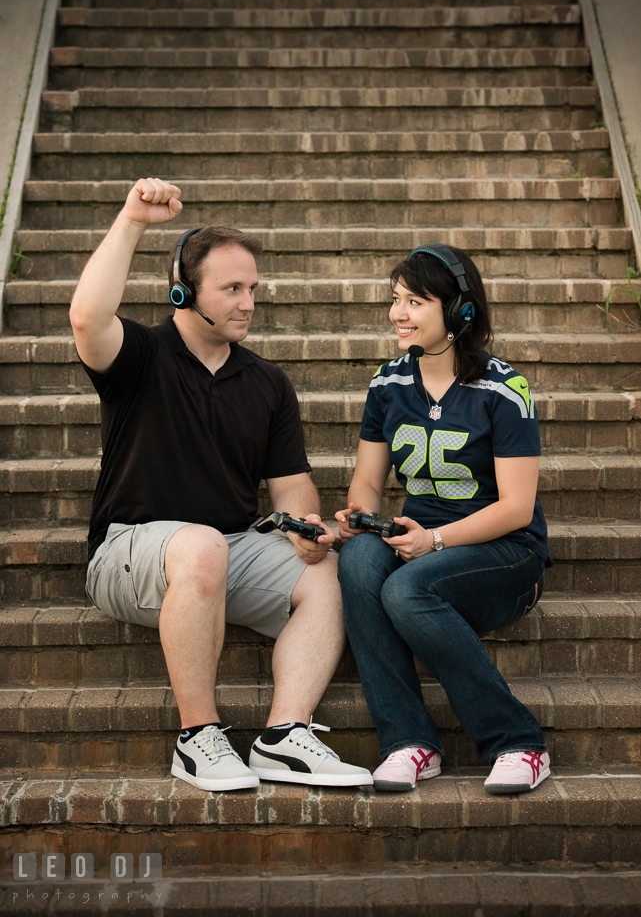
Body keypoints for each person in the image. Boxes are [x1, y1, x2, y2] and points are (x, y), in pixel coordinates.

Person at [69, 177, 372, 792]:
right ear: (184, 292)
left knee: (329, 571)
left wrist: (304, 529)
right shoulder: (140, 356)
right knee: (201, 543)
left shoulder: (266, 383)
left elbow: (291, 487)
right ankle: (197, 739)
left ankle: (286, 736)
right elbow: (86, 315)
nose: (248, 302)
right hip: (129, 550)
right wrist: (133, 221)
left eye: (253, 289)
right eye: (231, 288)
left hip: (223, 551)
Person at [335, 243, 552, 794]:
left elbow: (516, 507)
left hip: (505, 553)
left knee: (407, 589)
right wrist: (362, 514)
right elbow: (368, 479)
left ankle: (518, 743)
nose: (397, 314)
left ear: (460, 312)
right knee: (359, 559)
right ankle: (409, 742)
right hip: (422, 542)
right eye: (395, 299)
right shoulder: (388, 383)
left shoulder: (504, 388)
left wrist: (435, 539)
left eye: (414, 301)